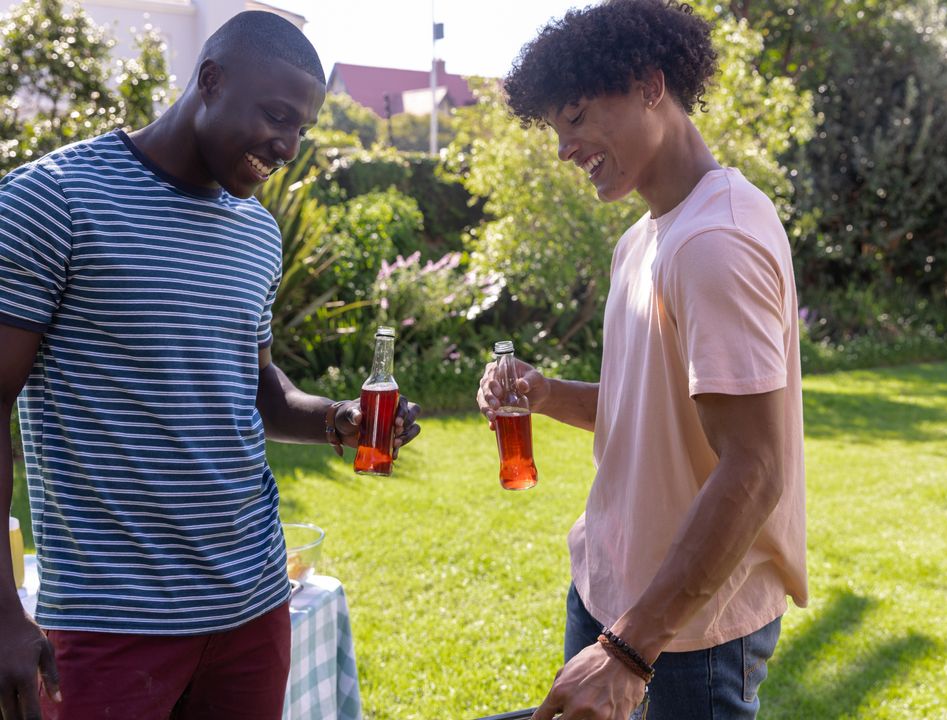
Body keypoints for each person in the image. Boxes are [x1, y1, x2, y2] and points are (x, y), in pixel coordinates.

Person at [0, 11, 419, 720]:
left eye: (301, 129)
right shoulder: (51, 200)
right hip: (113, 623)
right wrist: (4, 616)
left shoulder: (257, 230)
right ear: (211, 79)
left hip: (254, 607)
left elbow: (260, 388)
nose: (287, 144)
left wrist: (338, 420)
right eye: (276, 115)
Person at [476, 2, 807, 718]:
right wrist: (545, 391)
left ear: (650, 85)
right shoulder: (645, 239)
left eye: (576, 117)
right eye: (556, 128)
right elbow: (651, 407)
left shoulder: (716, 239)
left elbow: (755, 470)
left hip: (687, 634)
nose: (565, 146)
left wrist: (630, 650)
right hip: (611, 596)